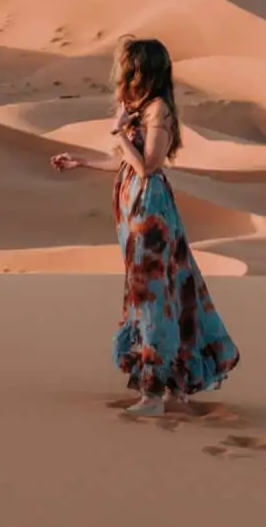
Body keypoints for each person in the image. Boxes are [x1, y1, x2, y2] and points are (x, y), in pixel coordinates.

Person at [51, 37, 240, 416]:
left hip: (150, 212)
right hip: (134, 210)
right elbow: (124, 163)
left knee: (153, 295)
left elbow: (148, 166)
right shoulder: (139, 110)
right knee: (156, 294)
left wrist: (120, 131)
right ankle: (172, 390)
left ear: (141, 69)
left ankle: (154, 393)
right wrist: (81, 162)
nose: (120, 73)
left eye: (126, 66)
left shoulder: (159, 111)